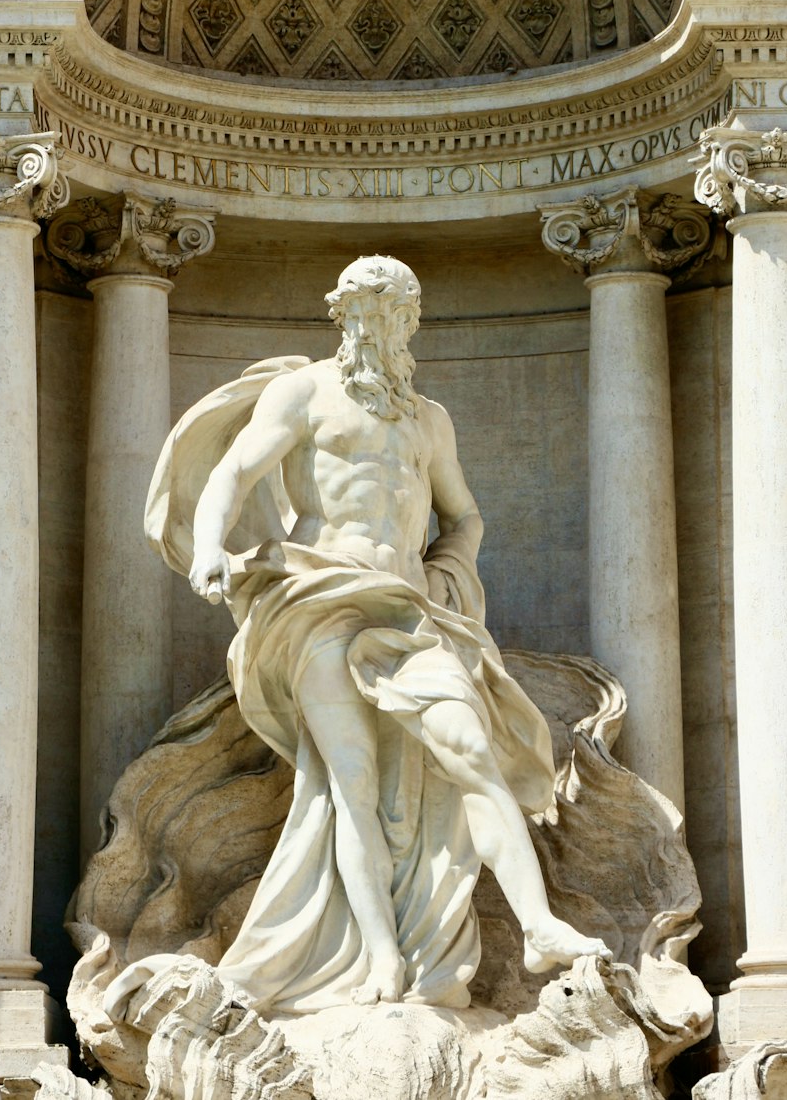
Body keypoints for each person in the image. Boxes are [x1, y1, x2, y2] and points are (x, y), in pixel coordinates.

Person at [145, 255, 608, 1013]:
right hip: (319, 598)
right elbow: (232, 473)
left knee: (472, 754)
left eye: (392, 314)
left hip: (408, 608)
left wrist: (449, 571)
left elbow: (464, 514)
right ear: (343, 318)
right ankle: (382, 961)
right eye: (364, 312)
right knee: (350, 786)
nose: (378, 327)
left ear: (409, 324)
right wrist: (207, 549)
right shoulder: (305, 393)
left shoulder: (429, 419)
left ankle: (539, 925)